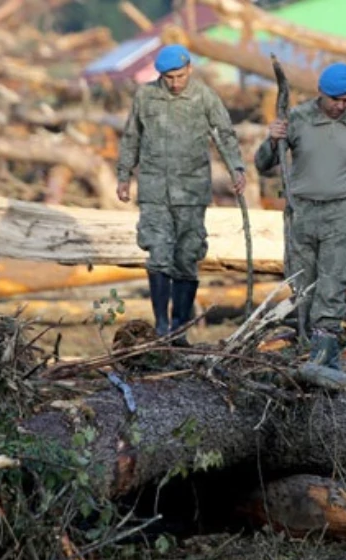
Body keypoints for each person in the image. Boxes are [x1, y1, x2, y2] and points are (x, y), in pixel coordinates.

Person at [255, 62, 346, 369]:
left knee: (333, 284)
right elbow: (263, 163)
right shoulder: (298, 119)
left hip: (339, 213)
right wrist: (272, 140)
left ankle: (326, 352)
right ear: (321, 94)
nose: (340, 106)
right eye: (335, 100)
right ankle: (303, 346)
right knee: (303, 284)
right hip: (300, 213)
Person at [116, 44, 247, 341]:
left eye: (179, 76)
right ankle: (161, 325)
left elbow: (224, 133)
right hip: (155, 190)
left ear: (189, 69)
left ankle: (179, 328)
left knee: (187, 257)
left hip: (191, 191)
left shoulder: (204, 97)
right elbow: (131, 136)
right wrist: (124, 175)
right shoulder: (146, 96)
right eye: (168, 78)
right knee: (158, 254)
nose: (174, 83)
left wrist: (237, 168)